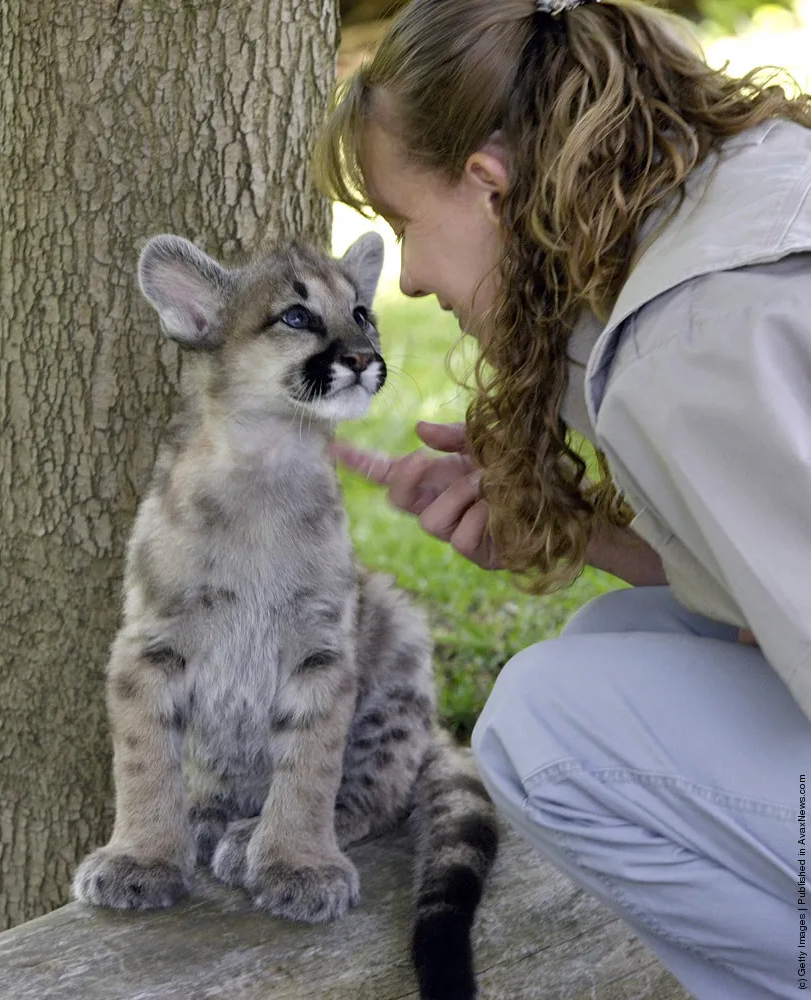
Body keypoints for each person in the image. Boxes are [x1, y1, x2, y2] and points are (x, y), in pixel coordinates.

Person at [312, 1, 811, 997]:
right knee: (612, 645)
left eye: (404, 223)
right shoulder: (740, 191)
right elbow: (771, 598)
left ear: (489, 186)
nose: (405, 277)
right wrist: (574, 530)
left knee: (544, 724)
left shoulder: (684, 338)